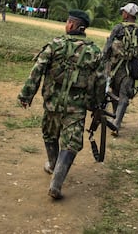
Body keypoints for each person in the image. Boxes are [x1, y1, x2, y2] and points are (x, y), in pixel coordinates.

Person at [17, 10, 106, 199]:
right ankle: (56, 181)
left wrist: (26, 94)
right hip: (77, 107)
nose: (66, 25)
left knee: (49, 134)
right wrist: (97, 106)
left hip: (52, 102)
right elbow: (100, 83)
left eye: (67, 22)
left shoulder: (54, 45)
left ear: (72, 26)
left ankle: (52, 164)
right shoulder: (95, 52)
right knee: (71, 143)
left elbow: (37, 69)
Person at [102, 3, 138, 136]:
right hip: (132, 68)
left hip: (115, 67)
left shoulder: (118, 28)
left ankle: (115, 122)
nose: (122, 13)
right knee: (124, 95)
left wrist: (103, 62)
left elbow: (107, 47)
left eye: (123, 11)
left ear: (127, 14)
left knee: (114, 92)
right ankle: (116, 120)